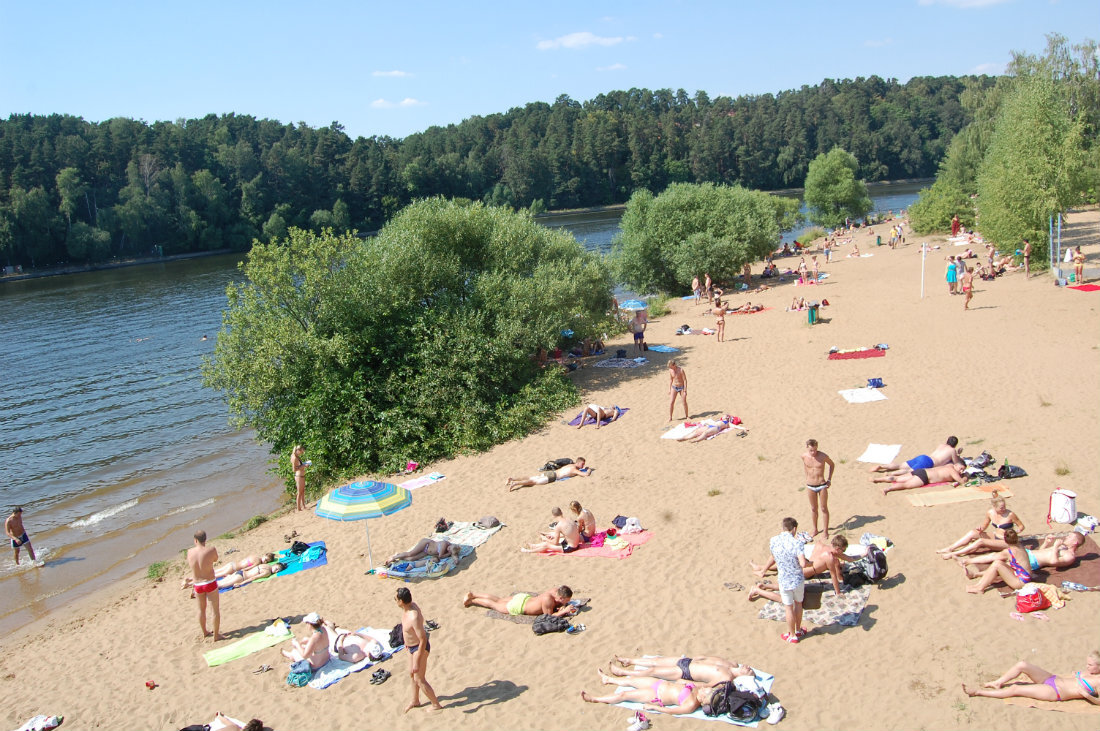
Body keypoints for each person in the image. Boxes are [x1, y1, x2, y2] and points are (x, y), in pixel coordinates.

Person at [963, 651, 1100, 704]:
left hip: (1055, 691)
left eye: (1090, 665)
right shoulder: (1090, 672)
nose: (1087, 667)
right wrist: (1076, 675)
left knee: (1016, 688)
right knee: (1022, 664)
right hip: (1053, 678)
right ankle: (997, 683)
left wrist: (1086, 695)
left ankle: (978, 692)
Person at [582, 670, 724, 716]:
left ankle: (595, 699)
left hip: (656, 695)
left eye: (707, 691)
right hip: (660, 683)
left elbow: (673, 711)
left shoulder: (692, 704)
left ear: (704, 698)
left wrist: (654, 707)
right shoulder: (699, 689)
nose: (705, 689)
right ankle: (609, 679)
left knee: (623, 695)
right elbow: (709, 684)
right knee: (631, 680)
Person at [750, 534, 855, 596]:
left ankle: (761, 568)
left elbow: (847, 557)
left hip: (805, 563)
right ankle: (764, 584)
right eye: (843, 550)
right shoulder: (831, 558)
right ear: (838, 549)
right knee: (789, 586)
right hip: (805, 572)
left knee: (785, 563)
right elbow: (835, 577)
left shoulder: (821, 544)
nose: (844, 552)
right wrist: (838, 592)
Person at [936, 491, 1024, 558]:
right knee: (972, 533)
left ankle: (954, 553)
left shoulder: (1010, 514)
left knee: (981, 541)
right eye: (1001, 507)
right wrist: (980, 528)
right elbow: (984, 526)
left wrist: (1017, 531)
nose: (1004, 509)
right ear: (994, 507)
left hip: (1006, 541)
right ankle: (950, 548)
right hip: (995, 536)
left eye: (1004, 506)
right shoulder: (990, 513)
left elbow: (1021, 526)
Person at [396, 588, 442, 712]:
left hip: (419, 648)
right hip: (411, 647)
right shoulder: (406, 609)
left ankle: (435, 704)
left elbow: (423, 640)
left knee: (419, 678)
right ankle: (415, 700)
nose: (395, 601)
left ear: (401, 601)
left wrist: (417, 661)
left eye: (396, 599)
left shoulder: (413, 616)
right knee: (412, 675)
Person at [958, 531, 1085, 576]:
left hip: (1033, 561)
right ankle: (967, 561)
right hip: (1031, 553)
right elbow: (1042, 551)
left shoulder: (1069, 556)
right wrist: (1046, 543)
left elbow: (1053, 562)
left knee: (1003, 566)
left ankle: (976, 574)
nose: (1067, 537)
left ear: (1075, 542)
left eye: (1070, 537)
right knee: (1001, 555)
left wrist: (1056, 547)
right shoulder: (1062, 547)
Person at [768, 518, 808, 643]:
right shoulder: (797, 543)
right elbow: (803, 563)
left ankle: (791, 635)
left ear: (783, 528)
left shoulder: (774, 541)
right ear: (794, 529)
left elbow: (774, 557)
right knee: (798, 604)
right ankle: (798, 630)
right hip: (797, 579)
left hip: (784, 580)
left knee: (788, 607)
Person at [963, 530, 1035, 594]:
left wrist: (969, 561)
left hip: (1021, 582)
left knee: (997, 564)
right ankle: (978, 582)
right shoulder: (1020, 546)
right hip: (1024, 576)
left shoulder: (1009, 552)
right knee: (999, 563)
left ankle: (980, 587)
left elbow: (992, 557)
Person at [609, 655, 755, 685]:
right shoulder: (732, 663)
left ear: (743, 678)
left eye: (749, 672)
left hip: (685, 673)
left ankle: (623, 673)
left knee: (652, 671)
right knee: (657, 661)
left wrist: (684, 683)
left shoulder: (727, 678)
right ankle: (630, 661)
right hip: (690, 661)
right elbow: (709, 657)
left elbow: (707, 685)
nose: (748, 668)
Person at [187, 530, 222, 640]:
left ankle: (205, 632)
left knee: (201, 610)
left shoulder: (190, 552)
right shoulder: (211, 550)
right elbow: (215, 559)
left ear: (195, 540)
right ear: (205, 539)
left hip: (197, 584)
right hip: (210, 582)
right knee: (215, 610)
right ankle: (216, 635)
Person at [463, 585, 578, 617]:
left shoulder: (555, 591)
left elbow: (554, 605)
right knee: (494, 605)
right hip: (520, 606)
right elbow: (549, 617)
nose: (565, 603)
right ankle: (473, 601)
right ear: (561, 598)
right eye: (565, 601)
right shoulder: (548, 600)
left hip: (523, 598)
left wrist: (559, 607)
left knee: (499, 599)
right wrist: (563, 611)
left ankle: (474, 594)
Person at [869, 436, 965, 474]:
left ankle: (882, 466)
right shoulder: (952, 450)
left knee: (901, 465)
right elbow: (956, 463)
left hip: (924, 457)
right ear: (955, 445)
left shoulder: (941, 445)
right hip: (930, 462)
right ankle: (890, 474)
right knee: (909, 471)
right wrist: (958, 454)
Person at [801, 439, 834, 538]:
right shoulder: (804, 456)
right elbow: (806, 467)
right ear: (807, 448)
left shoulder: (823, 456)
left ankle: (825, 531)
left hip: (821, 484)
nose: (813, 452)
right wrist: (807, 477)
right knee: (813, 508)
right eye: (811, 450)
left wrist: (829, 479)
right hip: (810, 485)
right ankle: (815, 529)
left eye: (815, 450)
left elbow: (832, 465)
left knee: (824, 508)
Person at [874, 463, 967, 494]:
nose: (961, 471)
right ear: (956, 466)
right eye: (961, 468)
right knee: (906, 485)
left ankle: (877, 479)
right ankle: (887, 489)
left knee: (898, 478)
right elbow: (961, 481)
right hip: (925, 477)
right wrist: (965, 476)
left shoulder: (949, 465)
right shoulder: (952, 470)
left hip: (922, 471)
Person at [506, 458, 590, 491]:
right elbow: (585, 475)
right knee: (533, 482)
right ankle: (516, 483)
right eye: (582, 464)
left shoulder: (570, 465)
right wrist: (588, 470)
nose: (583, 466)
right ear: (578, 463)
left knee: (533, 477)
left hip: (551, 473)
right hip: (553, 477)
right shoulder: (574, 469)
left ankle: (513, 478)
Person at [386, 538, 461, 566]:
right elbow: (441, 556)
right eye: (449, 548)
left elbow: (454, 555)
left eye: (449, 550)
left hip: (427, 552)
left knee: (412, 559)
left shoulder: (451, 549)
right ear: (451, 545)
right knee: (410, 553)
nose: (448, 549)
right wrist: (449, 553)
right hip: (426, 544)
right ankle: (393, 557)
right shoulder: (445, 544)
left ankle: (399, 555)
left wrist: (455, 559)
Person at [676, 414, 747, 442]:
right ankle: (684, 438)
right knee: (696, 431)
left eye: (727, 416)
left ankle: (697, 440)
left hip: (717, 428)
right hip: (711, 425)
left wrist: (743, 428)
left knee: (705, 433)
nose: (726, 416)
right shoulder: (719, 420)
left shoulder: (728, 423)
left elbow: (736, 426)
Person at [291, 445, 308, 512]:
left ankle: (303, 505)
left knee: (302, 491)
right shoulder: (294, 458)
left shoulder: (296, 456)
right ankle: (298, 508)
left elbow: (298, 466)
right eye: (301, 452)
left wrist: (303, 465)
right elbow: (294, 469)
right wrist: (303, 466)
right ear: (297, 450)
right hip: (299, 476)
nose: (301, 453)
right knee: (299, 492)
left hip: (301, 475)